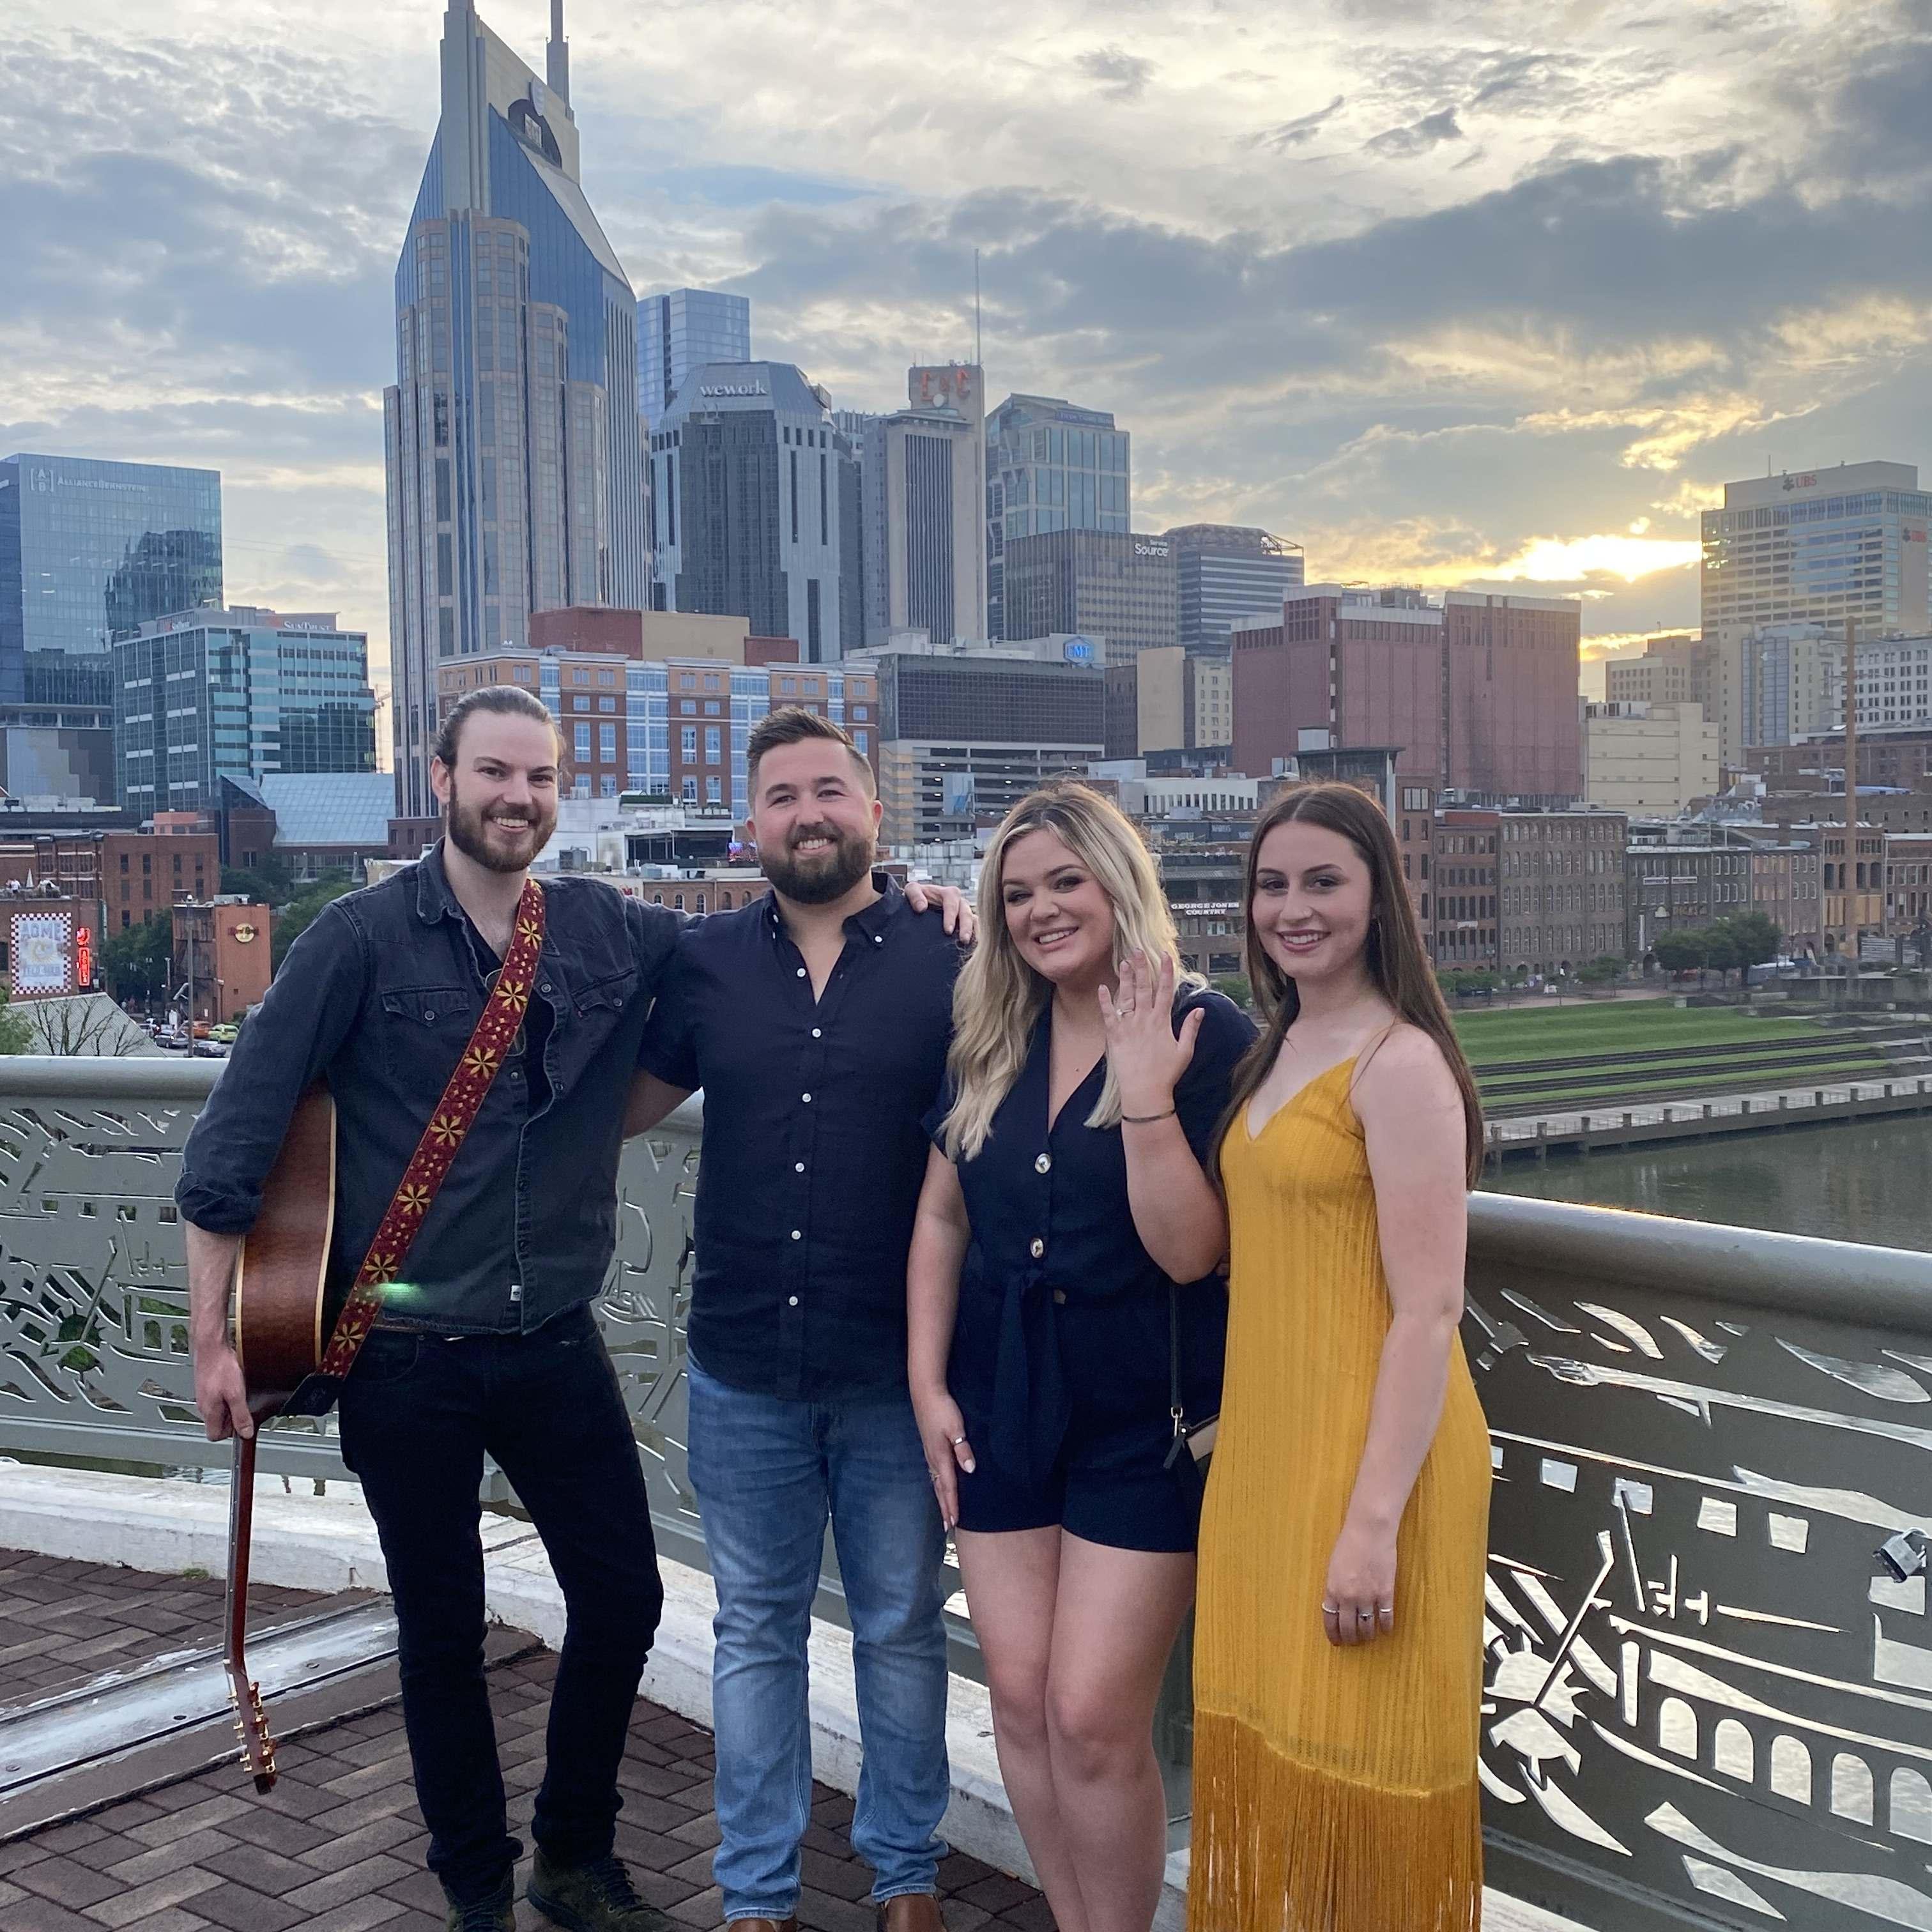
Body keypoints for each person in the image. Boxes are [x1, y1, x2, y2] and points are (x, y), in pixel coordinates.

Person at [181, 687, 678, 1932]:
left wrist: (912, 901)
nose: (519, 798)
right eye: (496, 773)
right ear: (442, 776)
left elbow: (756, 949)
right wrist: (214, 1344)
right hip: (405, 1358)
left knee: (623, 1595)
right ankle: (475, 1890)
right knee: (442, 1630)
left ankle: (572, 1857)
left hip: (553, 1340)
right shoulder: (355, 938)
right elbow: (233, 1142)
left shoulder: (607, 930)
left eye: (542, 779)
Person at [626, 708, 972, 1932]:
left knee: (898, 1627)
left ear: (875, 813)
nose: (807, 813)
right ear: (749, 827)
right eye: (782, 796)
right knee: (756, 1633)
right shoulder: (705, 964)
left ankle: (907, 1880)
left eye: (830, 790)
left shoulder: (955, 958)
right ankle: (757, 1898)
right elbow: (618, 1108)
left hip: (898, 1372)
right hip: (743, 1368)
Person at [906, 783, 1254, 1932]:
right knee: (1018, 1700)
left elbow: (1195, 1252)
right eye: (1018, 893)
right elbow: (944, 1219)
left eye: (1066, 881)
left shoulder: (1204, 1034)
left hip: (1142, 1425)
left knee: (1095, 1717)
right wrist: (924, 1386)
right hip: (1002, 1405)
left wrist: (1147, 1095)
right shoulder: (990, 1037)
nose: (1043, 909)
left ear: (1118, 881)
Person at [1186, 781, 1491, 1932]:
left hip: (1377, 1475)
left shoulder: (1399, 1065)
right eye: (1273, 884)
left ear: (1379, 899)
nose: (1292, 908)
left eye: (1324, 882)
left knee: (1363, 1779)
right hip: (1270, 1460)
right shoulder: (1276, 1051)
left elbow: (1429, 1311)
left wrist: (1370, 1529)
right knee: (1279, 1758)